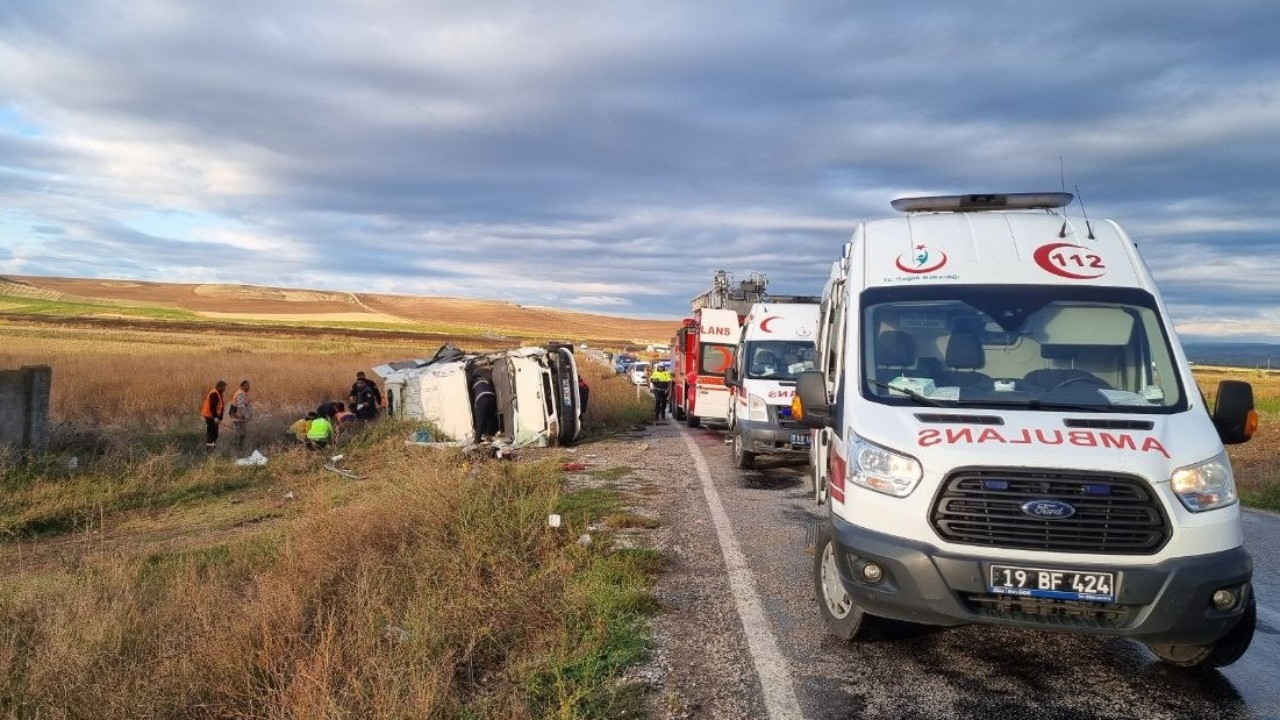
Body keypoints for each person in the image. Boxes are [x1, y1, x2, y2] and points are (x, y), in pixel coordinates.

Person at [201, 380, 228, 451]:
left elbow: (219, 406)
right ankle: (209, 450)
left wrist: (218, 418)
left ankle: (212, 448)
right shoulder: (214, 394)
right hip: (211, 417)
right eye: (224, 387)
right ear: (219, 387)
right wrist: (215, 418)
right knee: (212, 434)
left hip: (212, 417)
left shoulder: (218, 393)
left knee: (214, 433)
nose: (225, 389)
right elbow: (212, 407)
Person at [471, 373, 499, 439]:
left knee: (480, 420)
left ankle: (477, 439)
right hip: (492, 398)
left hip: (482, 399)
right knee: (490, 417)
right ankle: (491, 434)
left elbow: (473, 398)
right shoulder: (486, 381)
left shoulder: (474, 384)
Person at [228, 379, 253, 451]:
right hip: (239, 418)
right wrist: (247, 416)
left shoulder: (240, 393)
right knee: (240, 435)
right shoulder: (241, 393)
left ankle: (238, 449)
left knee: (240, 435)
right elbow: (241, 406)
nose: (249, 387)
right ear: (243, 386)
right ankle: (238, 450)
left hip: (239, 418)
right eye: (248, 386)